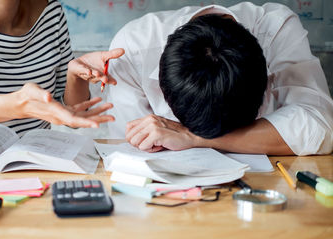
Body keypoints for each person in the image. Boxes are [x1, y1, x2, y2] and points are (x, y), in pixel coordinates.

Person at [107, 2, 333, 155]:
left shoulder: (276, 31)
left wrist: (193, 137)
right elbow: (128, 152)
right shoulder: (130, 50)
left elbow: (320, 126)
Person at [0, 0, 124, 135]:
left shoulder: (51, 12)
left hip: (32, 166)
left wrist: (75, 78)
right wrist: (18, 105)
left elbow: (71, 114)